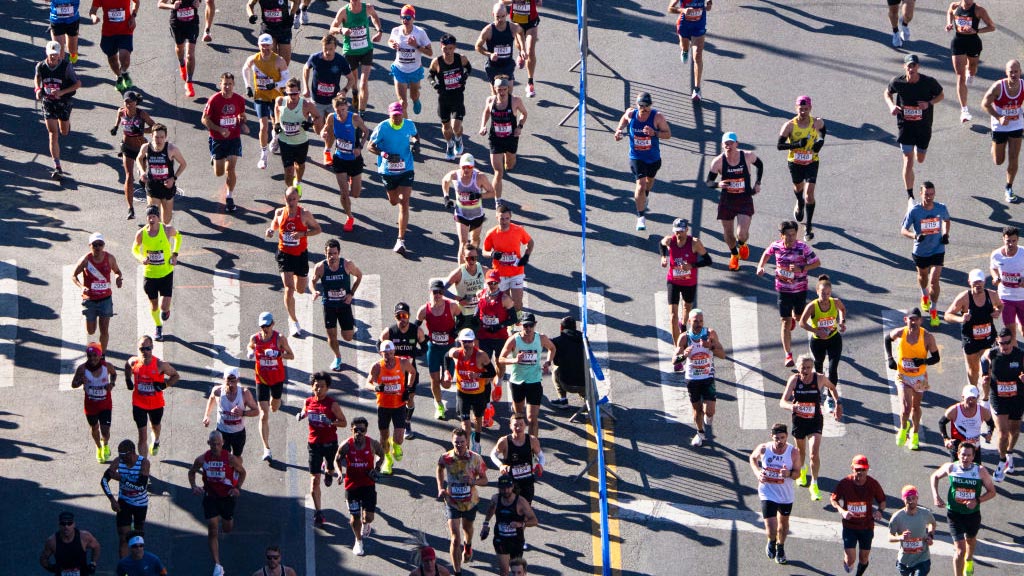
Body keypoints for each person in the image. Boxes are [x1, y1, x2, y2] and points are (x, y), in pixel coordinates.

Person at [756, 220, 821, 366]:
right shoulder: (776, 246)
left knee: (798, 317)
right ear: (782, 235)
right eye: (788, 235)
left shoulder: (803, 248)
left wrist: (801, 268)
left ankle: (793, 316)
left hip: (800, 289)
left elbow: (817, 263)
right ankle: (788, 355)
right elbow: (766, 253)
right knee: (785, 322)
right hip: (783, 289)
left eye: (793, 234)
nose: (791, 238)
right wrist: (760, 266)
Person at [779, 354, 842, 500]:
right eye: (803, 368)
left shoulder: (819, 378)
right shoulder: (794, 380)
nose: (806, 371)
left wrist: (838, 403)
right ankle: (802, 470)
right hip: (799, 421)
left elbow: (832, 388)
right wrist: (792, 407)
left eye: (808, 367)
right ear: (798, 368)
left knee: (814, 453)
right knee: (801, 452)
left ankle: (814, 484)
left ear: (812, 368)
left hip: (815, 421)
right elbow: (782, 401)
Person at [929, 442, 996, 576]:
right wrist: (936, 496)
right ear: (958, 454)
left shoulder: (980, 471)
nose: (965, 458)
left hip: (972, 514)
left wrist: (977, 500)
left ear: (973, 457)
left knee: (970, 540)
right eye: (963, 455)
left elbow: (992, 492)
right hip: (954, 514)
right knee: (960, 550)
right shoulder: (951, 467)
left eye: (969, 455)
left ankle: (969, 559)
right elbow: (934, 476)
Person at [884, 55, 944, 204]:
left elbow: (941, 95)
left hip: (924, 128)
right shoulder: (897, 82)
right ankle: (910, 197)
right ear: (904, 67)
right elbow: (887, 92)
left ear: (918, 67)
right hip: (905, 127)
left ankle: (919, 150)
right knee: (908, 160)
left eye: (914, 66)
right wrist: (891, 106)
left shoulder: (928, 82)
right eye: (909, 66)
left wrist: (929, 103)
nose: (911, 69)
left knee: (920, 159)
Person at [266, 186, 322, 336]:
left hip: (300, 255)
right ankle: (293, 321)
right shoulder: (279, 212)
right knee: (289, 289)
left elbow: (318, 229)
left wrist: (303, 234)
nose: (290, 202)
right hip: (284, 255)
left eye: (293, 199)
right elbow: (274, 225)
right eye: (288, 199)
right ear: (284, 199)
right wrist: (270, 231)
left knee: (300, 290)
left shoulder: (304, 214)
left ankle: (299, 281)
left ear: (298, 199)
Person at [188, 430, 246, 576]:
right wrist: (194, 486)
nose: (215, 447)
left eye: (218, 444)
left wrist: (237, 488)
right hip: (211, 497)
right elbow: (192, 471)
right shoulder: (202, 459)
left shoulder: (230, 459)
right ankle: (218, 565)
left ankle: (225, 520)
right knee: (213, 529)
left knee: (227, 528)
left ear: (223, 443)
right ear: (208, 443)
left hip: (227, 497)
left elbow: (243, 472)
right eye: (213, 444)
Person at [614, 92, 672, 231]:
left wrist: (654, 133)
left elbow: (668, 134)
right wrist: (619, 130)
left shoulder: (657, 117)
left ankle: (645, 196)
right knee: (640, 184)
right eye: (641, 106)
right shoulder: (631, 113)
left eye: (647, 106)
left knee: (649, 181)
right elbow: (623, 119)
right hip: (636, 157)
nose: (644, 108)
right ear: (637, 105)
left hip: (653, 158)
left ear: (650, 105)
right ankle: (641, 218)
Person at [706, 131, 763, 271]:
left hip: (744, 198)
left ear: (737, 144)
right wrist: (718, 184)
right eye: (726, 143)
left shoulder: (747, 156)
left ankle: (742, 244)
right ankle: (734, 254)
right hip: (727, 200)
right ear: (722, 145)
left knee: (741, 234)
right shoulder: (718, 162)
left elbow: (760, 165)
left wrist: (757, 183)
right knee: (728, 234)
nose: (728, 145)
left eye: (731, 143)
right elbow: (708, 182)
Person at [885, 307, 940, 450]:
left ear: (921, 321)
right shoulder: (900, 333)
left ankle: (914, 433)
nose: (914, 322)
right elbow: (887, 339)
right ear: (906, 320)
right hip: (903, 376)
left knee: (916, 407)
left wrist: (923, 362)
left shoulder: (927, 337)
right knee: (905, 408)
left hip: (919, 377)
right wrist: (890, 358)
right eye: (911, 319)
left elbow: (936, 358)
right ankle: (903, 428)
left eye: (916, 319)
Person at [298, 371, 348, 527]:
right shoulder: (308, 401)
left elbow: (344, 422)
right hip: (314, 445)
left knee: (330, 469)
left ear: (327, 388)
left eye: (322, 386)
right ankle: (318, 512)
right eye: (316, 386)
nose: (318, 389)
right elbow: (305, 411)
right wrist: (301, 415)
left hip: (330, 444)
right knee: (314, 480)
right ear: (312, 386)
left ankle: (328, 471)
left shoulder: (332, 404)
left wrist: (331, 423)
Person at [437, 427, 489, 575]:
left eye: (462, 442)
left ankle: (468, 546)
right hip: (452, 502)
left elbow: (485, 480)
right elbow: (439, 469)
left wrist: (474, 482)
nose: (459, 445)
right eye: (456, 442)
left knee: (467, 529)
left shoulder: (475, 458)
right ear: (452, 442)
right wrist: (440, 487)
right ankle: (457, 572)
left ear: (467, 442)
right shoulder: (446, 457)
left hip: (470, 502)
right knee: (455, 539)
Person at [368, 101, 418, 254]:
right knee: (394, 201)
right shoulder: (382, 127)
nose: (397, 118)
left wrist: (416, 144)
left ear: (402, 114)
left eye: (399, 115)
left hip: (406, 169)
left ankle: (400, 240)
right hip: (388, 171)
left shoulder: (408, 124)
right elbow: (370, 146)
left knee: (404, 201)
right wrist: (384, 154)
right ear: (389, 115)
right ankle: (401, 221)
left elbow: (415, 136)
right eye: (394, 116)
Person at [750, 423, 802, 565]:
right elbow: (753, 458)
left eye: (782, 438)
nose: (780, 441)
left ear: (787, 437)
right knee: (771, 528)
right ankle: (772, 541)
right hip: (767, 492)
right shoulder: (764, 448)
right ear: (771, 437)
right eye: (777, 438)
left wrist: (789, 473)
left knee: (783, 524)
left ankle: (780, 547)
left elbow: (798, 474)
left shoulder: (793, 452)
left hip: (785, 495)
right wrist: (758, 473)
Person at [901, 181, 951, 327]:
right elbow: (903, 230)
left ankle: (934, 311)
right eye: (926, 194)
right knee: (923, 277)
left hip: (937, 249)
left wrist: (945, 234)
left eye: (931, 194)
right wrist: (915, 236)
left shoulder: (941, 208)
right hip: (921, 252)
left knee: (934, 281)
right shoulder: (914, 211)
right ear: (921, 194)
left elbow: (947, 220)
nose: (929, 197)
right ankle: (924, 295)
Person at [674, 308, 726, 447]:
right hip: (692, 378)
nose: (699, 324)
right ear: (689, 322)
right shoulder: (684, 337)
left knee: (709, 411)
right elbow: (674, 360)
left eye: (701, 321)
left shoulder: (710, 334)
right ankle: (700, 433)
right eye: (696, 321)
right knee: (697, 410)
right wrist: (684, 356)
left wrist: (711, 346)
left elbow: (723, 355)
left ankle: (708, 417)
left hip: (707, 376)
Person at [777, 95, 826, 241]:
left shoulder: (817, 122)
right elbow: (780, 145)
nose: (803, 112)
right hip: (795, 162)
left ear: (810, 108)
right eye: (800, 109)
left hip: (812, 161)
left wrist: (820, 142)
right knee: (799, 189)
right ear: (796, 108)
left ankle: (808, 227)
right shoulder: (789, 126)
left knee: (809, 194)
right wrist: (797, 145)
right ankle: (799, 202)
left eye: (806, 109)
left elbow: (823, 132)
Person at [247, 312, 294, 462]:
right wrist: (250, 351)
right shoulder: (255, 338)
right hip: (261, 379)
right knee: (264, 414)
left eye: (267, 325)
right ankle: (266, 448)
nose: (265, 328)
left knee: (274, 407)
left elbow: (291, 355)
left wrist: (278, 354)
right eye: (262, 326)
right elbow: (250, 345)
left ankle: (275, 402)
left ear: (273, 324)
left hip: (277, 379)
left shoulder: (280, 338)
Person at [499, 313, 556, 438]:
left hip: (534, 381)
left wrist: (548, 362)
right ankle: (519, 442)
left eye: (530, 325)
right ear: (521, 325)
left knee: (532, 418)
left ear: (535, 325)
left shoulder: (541, 338)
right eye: (525, 326)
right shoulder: (514, 339)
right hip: (517, 382)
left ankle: (533, 446)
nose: (528, 328)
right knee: (519, 416)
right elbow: (501, 359)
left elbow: (552, 348)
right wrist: (514, 360)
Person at [335, 417, 385, 556]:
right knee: (354, 518)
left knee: (368, 517)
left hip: (368, 485)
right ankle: (358, 541)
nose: (359, 432)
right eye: (356, 430)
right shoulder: (346, 445)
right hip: (352, 487)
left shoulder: (372, 444)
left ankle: (366, 524)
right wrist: (339, 473)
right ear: (351, 430)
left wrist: (377, 468)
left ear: (366, 430)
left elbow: (382, 455)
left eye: (362, 430)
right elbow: (337, 459)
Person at [310, 239, 362, 371]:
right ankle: (337, 357)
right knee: (332, 336)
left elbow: (359, 276)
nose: (332, 256)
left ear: (339, 253)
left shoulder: (347, 264)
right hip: (329, 306)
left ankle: (355, 326)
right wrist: (314, 291)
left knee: (348, 337)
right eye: (329, 254)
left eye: (334, 253)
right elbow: (312, 281)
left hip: (344, 305)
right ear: (325, 253)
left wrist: (351, 293)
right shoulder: (320, 267)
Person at [944, 269, 1001, 388]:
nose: (978, 284)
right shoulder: (964, 297)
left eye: (980, 281)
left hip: (988, 338)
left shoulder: (992, 295)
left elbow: (1000, 305)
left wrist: (997, 311)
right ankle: (973, 391)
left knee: (988, 369)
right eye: (975, 282)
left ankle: (986, 396)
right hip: (971, 339)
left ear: (984, 282)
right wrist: (961, 319)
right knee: (973, 369)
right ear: (969, 282)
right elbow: (947, 315)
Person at [980, 327, 1024, 482]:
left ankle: (1010, 452)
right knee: (1003, 433)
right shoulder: (992, 353)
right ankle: (1001, 460)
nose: (1004, 346)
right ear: (997, 342)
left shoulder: (1020, 355)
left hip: (1017, 397)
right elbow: (983, 359)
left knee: (1015, 430)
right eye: (1001, 343)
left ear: (1012, 341)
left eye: (1007, 342)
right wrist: (985, 374)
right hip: (998, 397)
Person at [830, 455, 886, 576]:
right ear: (852, 468)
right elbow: (833, 499)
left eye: (863, 469)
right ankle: (847, 561)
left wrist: (880, 511)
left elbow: (882, 501)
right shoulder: (845, 483)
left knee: (863, 559)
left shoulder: (873, 484)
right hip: (849, 526)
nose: (860, 472)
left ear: (867, 469)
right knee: (850, 559)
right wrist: (842, 511)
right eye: (857, 469)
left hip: (866, 527)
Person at [125, 334, 180, 456]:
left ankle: (156, 440)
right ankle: (143, 463)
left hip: (156, 404)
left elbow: (176, 376)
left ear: (152, 347)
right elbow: (127, 365)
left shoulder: (160, 365)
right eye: (142, 349)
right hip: (139, 404)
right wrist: (128, 380)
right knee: (142, 437)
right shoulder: (134, 362)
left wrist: (165, 385)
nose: (145, 351)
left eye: (148, 348)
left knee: (155, 427)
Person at [132, 205, 181, 340]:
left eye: (154, 216)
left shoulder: (166, 230)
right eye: (149, 217)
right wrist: (141, 258)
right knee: (154, 305)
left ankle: (166, 311)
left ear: (158, 218)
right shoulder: (141, 234)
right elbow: (134, 249)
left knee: (163, 307)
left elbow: (179, 237)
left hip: (166, 273)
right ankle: (158, 327)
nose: (151, 219)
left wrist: (175, 254)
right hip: (150, 275)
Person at [202, 72, 249, 212]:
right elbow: (204, 119)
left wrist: (242, 123)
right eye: (225, 84)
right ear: (220, 84)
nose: (227, 87)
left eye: (230, 84)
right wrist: (219, 129)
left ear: (233, 85)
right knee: (219, 172)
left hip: (234, 138)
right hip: (218, 139)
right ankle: (214, 158)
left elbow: (241, 115)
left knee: (231, 169)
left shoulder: (239, 100)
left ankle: (229, 196)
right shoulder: (214, 100)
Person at [302, 34, 354, 159]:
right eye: (325, 48)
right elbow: (305, 68)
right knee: (318, 129)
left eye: (331, 49)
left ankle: (327, 151)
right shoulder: (315, 58)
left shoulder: (340, 61)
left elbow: (351, 79)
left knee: (331, 128)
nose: (328, 52)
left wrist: (344, 90)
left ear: (335, 48)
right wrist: (306, 87)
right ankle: (323, 134)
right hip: (317, 101)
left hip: (333, 102)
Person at [35, 40, 81, 180]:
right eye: (51, 54)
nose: (53, 57)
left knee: (64, 131)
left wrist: (62, 92)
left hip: (63, 103)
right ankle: (57, 166)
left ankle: (66, 124)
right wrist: (38, 89)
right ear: (46, 53)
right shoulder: (41, 66)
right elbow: (37, 77)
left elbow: (78, 84)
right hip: (48, 102)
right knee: (52, 134)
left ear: (60, 53)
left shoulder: (66, 67)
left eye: (55, 54)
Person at [322, 94, 369, 232]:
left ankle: (352, 179)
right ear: (334, 109)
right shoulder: (332, 117)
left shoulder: (354, 118)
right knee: (344, 193)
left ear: (347, 108)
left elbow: (366, 132)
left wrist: (360, 147)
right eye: (338, 111)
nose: (340, 113)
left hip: (354, 160)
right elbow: (326, 128)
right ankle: (349, 217)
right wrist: (323, 133)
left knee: (355, 194)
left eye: (343, 110)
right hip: (339, 158)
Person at [660, 218, 710, 343]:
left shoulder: (694, 243)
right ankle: (677, 347)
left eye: (682, 231)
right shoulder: (669, 240)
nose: (679, 234)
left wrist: (692, 266)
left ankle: (683, 324)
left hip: (689, 283)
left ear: (687, 230)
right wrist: (663, 257)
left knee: (687, 308)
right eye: (677, 231)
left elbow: (708, 260)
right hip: (673, 281)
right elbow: (661, 244)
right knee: (673, 316)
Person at [71, 233, 124, 353]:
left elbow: (117, 271)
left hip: (105, 299)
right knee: (91, 331)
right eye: (95, 244)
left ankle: (102, 355)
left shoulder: (110, 258)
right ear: (90, 245)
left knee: (104, 330)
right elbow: (74, 275)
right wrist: (81, 287)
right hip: (90, 300)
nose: (98, 247)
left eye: (100, 244)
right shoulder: (85, 260)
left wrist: (118, 278)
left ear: (103, 245)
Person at [368, 340, 415, 475]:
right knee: (384, 437)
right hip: (383, 406)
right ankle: (388, 460)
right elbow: (368, 383)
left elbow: (413, 372)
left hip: (399, 405)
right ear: (380, 353)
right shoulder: (377, 366)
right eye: (385, 354)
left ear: (394, 351)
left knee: (399, 438)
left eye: (390, 353)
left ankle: (395, 445)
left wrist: (408, 388)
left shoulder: (403, 362)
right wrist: (376, 388)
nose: (388, 356)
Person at [329, 0, 383, 116]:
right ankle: (354, 92)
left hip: (366, 50)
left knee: (363, 82)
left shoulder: (367, 8)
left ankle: (361, 112)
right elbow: (332, 28)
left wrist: (379, 31)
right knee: (353, 80)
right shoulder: (344, 12)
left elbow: (374, 17)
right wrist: (341, 30)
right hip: (350, 52)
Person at [243, 34, 289, 170]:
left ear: (272, 46)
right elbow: (245, 69)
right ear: (259, 46)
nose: (265, 49)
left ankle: (275, 137)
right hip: (260, 96)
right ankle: (263, 155)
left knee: (277, 125)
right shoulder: (253, 59)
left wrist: (275, 85)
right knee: (263, 126)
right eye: (263, 46)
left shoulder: (279, 60)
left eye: (268, 46)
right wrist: (248, 86)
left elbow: (286, 80)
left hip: (276, 97)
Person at [944, 0, 995, 122]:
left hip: (973, 42)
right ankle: (964, 110)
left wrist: (976, 31)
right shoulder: (954, 5)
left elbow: (992, 27)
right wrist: (949, 23)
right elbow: (949, 12)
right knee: (960, 76)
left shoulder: (979, 10)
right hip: (958, 42)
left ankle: (971, 73)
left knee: (972, 68)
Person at [479, 77, 528, 203]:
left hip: (511, 138)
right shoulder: (490, 100)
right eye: (499, 89)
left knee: (510, 164)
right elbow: (486, 112)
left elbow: (524, 114)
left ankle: (508, 159)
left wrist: (519, 127)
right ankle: (498, 200)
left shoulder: (515, 101)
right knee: (498, 172)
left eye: (504, 89)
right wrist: (483, 126)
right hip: (495, 139)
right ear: (495, 89)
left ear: (508, 89)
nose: (502, 92)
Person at [381, 301, 426, 434]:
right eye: (399, 316)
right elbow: (379, 345)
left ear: (409, 316)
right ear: (395, 317)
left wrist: (415, 353)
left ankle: (407, 422)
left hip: (410, 371)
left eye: (404, 315)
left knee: (409, 398)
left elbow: (425, 347)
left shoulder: (417, 330)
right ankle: (393, 422)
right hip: (393, 372)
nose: (402, 319)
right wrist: (386, 358)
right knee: (394, 396)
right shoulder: (389, 332)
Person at [418, 280, 462, 420]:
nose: (437, 295)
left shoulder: (452, 306)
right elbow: (415, 328)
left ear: (443, 293)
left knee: (447, 384)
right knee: (435, 380)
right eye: (435, 292)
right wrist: (423, 341)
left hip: (449, 350)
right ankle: (439, 405)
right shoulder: (424, 310)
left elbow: (462, 319)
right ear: (430, 292)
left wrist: (456, 331)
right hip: (434, 349)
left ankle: (454, 397)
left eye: (440, 292)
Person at [981, 60, 1023, 203]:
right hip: (999, 126)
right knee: (998, 161)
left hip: (1016, 125)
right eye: (1011, 72)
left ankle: (1009, 187)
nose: (1014, 74)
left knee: (1014, 157)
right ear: (1006, 73)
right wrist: (999, 117)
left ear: (1020, 72)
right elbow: (984, 104)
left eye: (1016, 71)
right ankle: (994, 145)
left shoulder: (1023, 85)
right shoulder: (998, 87)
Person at [481, 473, 538, 576]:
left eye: (508, 488)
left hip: (516, 541)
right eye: (503, 488)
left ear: (512, 487)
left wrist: (521, 524)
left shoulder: (521, 502)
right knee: (504, 572)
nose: (506, 490)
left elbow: (534, 521)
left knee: (517, 572)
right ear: (499, 488)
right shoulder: (495, 499)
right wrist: (485, 524)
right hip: (500, 539)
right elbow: (491, 510)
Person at [101, 439, 150, 558]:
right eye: (120, 455)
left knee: (138, 538)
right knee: (123, 538)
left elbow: (141, 487)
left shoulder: (144, 463)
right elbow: (104, 481)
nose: (121, 458)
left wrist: (121, 479)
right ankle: (125, 566)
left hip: (140, 504)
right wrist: (112, 500)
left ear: (132, 453)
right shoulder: (118, 461)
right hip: (124, 502)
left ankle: (138, 562)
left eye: (124, 456)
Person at [111, 90, 155, 219]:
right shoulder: (121, 112)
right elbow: (118, 119)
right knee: (129, 177)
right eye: (126, 102)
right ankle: (130, 209)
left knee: (143, 176)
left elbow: (154, 127)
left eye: (131, 102)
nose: (128, 104)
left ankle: (146, 188)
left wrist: (141, 130)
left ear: (136, 102)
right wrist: (115, 127)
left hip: (141, 148)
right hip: (127, 148)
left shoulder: (142, 114)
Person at [798, 274, 847, 389]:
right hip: (818, 342)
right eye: (823, 293)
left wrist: (842, 321)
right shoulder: (812, 306)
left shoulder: (835, 302)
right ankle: (818, 390)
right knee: (819, 367)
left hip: (834, 339)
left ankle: (830, 395)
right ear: (817, 292)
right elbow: (802, 323)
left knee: (832, 368)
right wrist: (816, 331)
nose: (825, 296)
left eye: (828, 293)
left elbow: (842, 309)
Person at [72, 342, 118, 462]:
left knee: (105, 431)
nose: (92, 358)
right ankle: (98, 447)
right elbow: (73, 384)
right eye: (90, 356)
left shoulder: (107, 366)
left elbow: (114, 374)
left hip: (105, 405)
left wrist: (112, 384)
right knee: (94, 428)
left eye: (95, 355)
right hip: (90, 406)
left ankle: (105, 444)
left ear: (100, 355)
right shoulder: (82, 368)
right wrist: (81, 381)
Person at [448, 328, 494, 448]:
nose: (467, 344)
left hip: (478, 394)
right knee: (466, 424)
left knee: (478, 420)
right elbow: (446, 356)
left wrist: (478, 375)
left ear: (473, 341)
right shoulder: (456, 353)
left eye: (469, 341)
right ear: (460, 341)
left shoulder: (481, 355)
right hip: (463, 394)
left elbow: (492, 372)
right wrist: (447, 372)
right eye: (464, 341)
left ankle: (477, 442)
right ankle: (467, 449)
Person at [484, 205, 533, 314]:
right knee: (504, 304)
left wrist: (526, 256)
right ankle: (508, 322)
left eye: (507, 218)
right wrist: (492, 254)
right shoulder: (491, 233)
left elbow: (530, 242)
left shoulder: (518, 230)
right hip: (500, 274)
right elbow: (484, 251)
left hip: (517, 272)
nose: (505, 221)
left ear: (510, 217)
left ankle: (518, 321)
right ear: (497, 218)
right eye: (502, 218)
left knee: (517, 303)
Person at [273, 78, 321, 191]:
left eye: (295, 93)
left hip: (301, 142)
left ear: (299, 91)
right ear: (286, 92)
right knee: (289, 171)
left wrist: (310, 124)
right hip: (285, 142)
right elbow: (276, 110)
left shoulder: (306, 105)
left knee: (300, 165)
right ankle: (291, 191)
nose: (292, 96)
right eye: (289, 94)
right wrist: (277, 123)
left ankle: (298, 182)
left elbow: (318, 117)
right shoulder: (280, 101)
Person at [430, 34, 472, 159]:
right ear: (441, 47)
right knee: (446, 127)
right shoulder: (437, 62)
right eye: (445, 48)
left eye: (450, 48)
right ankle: (449, 144)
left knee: (456, 127)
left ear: (454, 47)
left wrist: (465, 76)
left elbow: (468, 68)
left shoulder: (461, 58)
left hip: (457, 97)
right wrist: (434, 84)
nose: (447, 51)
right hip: (443, 99)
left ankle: (458, 139)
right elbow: (430, 75)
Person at [442, 155, 497, 252]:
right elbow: (445, 181)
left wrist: (478, 196)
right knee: (463, 243)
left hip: (477, 215)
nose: (466, 169)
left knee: (474, 240)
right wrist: (446, 197)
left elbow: (492, 193)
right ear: (460, 166)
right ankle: (463, 261)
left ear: (473, 166)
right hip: (461, 214)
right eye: (464, 167)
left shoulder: (480, 177)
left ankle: (473, 256)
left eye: (469, 167)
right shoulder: (454, 175)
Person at [203, 368, 259, 458]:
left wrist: (243, 413)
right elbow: (211, 399)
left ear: (238, 380)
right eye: (228, 381)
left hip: (238, 433)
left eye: (233, 381)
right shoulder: (217, 391)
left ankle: (236, 467)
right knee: (222, 457)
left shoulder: (244, 393)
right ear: (224, 379)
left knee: (237, 457)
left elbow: (256, 411)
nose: (231, 384)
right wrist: (206, 415)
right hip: (222, 432)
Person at [490, 413, 545, 507]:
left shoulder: (532, 440)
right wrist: (500, 465)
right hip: (510, 484)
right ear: (510, 426)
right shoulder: (504, 441)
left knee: (526, 508)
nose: (518, 428)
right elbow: (493, 455)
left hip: (527, 482)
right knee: (511, 508)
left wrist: (540, 465)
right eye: (515, 425)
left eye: (521, 424)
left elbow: (541, 456)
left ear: (525, 425)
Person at [388, 4, 432, 118]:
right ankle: (406, 125)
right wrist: (392, 45)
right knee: (402, 102)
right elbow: (390, 41)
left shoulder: (420, 33)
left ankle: (416, 100)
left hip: (415, 70)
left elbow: (430, 52)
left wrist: (416, 45)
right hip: (399, 69)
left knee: (414, 95)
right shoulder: (396, 30)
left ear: (413, 18)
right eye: (403, 17)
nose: (405, 20)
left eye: (408, 18)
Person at [136, 123, 186, 225]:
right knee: (154, 217)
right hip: (152, 185)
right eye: (156, 137)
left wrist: (173, 178)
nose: (159, 140)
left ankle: (164, 228)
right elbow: (139, 158)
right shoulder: (146, 147)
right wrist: (142, 171)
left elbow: (183, 164)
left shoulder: (171, 149)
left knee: (166, 220)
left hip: (167, 186)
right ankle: (156, 232)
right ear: (152, 136)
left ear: (165, 137)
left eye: (162, 137)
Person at [476, 269, 516, 391]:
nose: (492, 285)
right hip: (484, 336)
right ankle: (485, 391)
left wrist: (499, 326)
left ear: (498, 282)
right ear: (486, 282)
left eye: (494, 283)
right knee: (484, 364)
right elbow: (478, 312)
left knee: (500, 362)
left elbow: (513, 319)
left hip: (500, 337)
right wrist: (475, 320)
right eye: (490, 283)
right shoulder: (480, 295)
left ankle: (498, 381)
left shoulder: (505, 298)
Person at [89, 0, 139, 92]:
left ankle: (123, 72)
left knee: (125, 59)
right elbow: (92, 11)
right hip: (108, 33)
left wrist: (133, 16)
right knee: (112, 60)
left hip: (125, 30)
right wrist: (94, 17)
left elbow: (136, 2)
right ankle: (119, 76)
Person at [667, 0, 711, 102]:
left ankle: (697, 89)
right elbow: (670, 8)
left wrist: (709, 3)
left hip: (699, 26)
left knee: (697, 56)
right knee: (685, 47)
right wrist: (683, 10)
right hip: (684, 26)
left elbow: (709, 3)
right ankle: (685, 51)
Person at [888, 485, 937, 576]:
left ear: (917, 498)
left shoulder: (925, 513)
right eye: (908, 499)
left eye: (913, 498)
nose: (911, 501)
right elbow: (890, 537)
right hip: (905, 562)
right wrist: (900, 537)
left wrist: (930, 535)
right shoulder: (897, 517)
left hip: (922, 559)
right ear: (903, 500)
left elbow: (932, 523)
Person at [939, 384, 993, 466]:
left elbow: (991, 423)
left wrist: (989, 433)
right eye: (968, 398)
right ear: (963, 397)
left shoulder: (982, 411)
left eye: (973, 398)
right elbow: (941, 422)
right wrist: (946, 439)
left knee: (976, 470)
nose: (971, 401)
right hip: (958, 446)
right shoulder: (954, 410)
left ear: (978, 397)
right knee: (957, 470)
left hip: (974, 447)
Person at [475, 3, 525, 89]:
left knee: (509, 91)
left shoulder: (513, 27)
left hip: (508, 65)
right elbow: (477, 46)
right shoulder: (488, 31)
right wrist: (489, 54)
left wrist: (523, 49)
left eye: (503, 16)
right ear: (493, 14)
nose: (500, 19)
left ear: (506, 14)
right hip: (493, 67)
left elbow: (521, 32)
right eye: (497, 16)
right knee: (496, 93)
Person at [159, 0, 203, 97]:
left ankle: (189, 82)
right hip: (177, 24)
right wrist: (172, 6)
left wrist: (198, 2)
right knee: (180, 47)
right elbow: (160, 4)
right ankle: (182, 64)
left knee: (190, 55)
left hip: (192, 23)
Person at [990, 226, 1024, 342]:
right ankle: (1014, 353)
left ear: (1018, 239)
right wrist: (995, 277)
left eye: (1014, 241)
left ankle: (1019, 321)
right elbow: (993, 268)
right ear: (1003, 239)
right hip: (1005, 298)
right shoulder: (996, 255)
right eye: (1008, 241)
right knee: (1010, 332)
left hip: (1022, 297)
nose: (1011, 244)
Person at [502, 0, 541, 97]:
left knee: (530, 51)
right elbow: (502, 2)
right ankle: (520, 53)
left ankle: (530, 82)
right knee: (519, 45)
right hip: (517, 21)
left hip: (531, 21)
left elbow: (539, 3)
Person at [445, 243, 487, 328]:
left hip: (480, 312)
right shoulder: (459, 273)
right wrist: (458, 298)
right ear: (464, 258)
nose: (472, 261)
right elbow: (442, 289)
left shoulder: (483, 270)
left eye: (474, 258)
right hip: (464, 314)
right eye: (468, 258)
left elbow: (496, 283)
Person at [246, 0, 299, 64]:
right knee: (271, 61)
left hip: (284, 28)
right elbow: (249, 5)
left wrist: (292, 16)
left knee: (284, 63)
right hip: (268, 29)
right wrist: (251, 15)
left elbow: (296, 1)